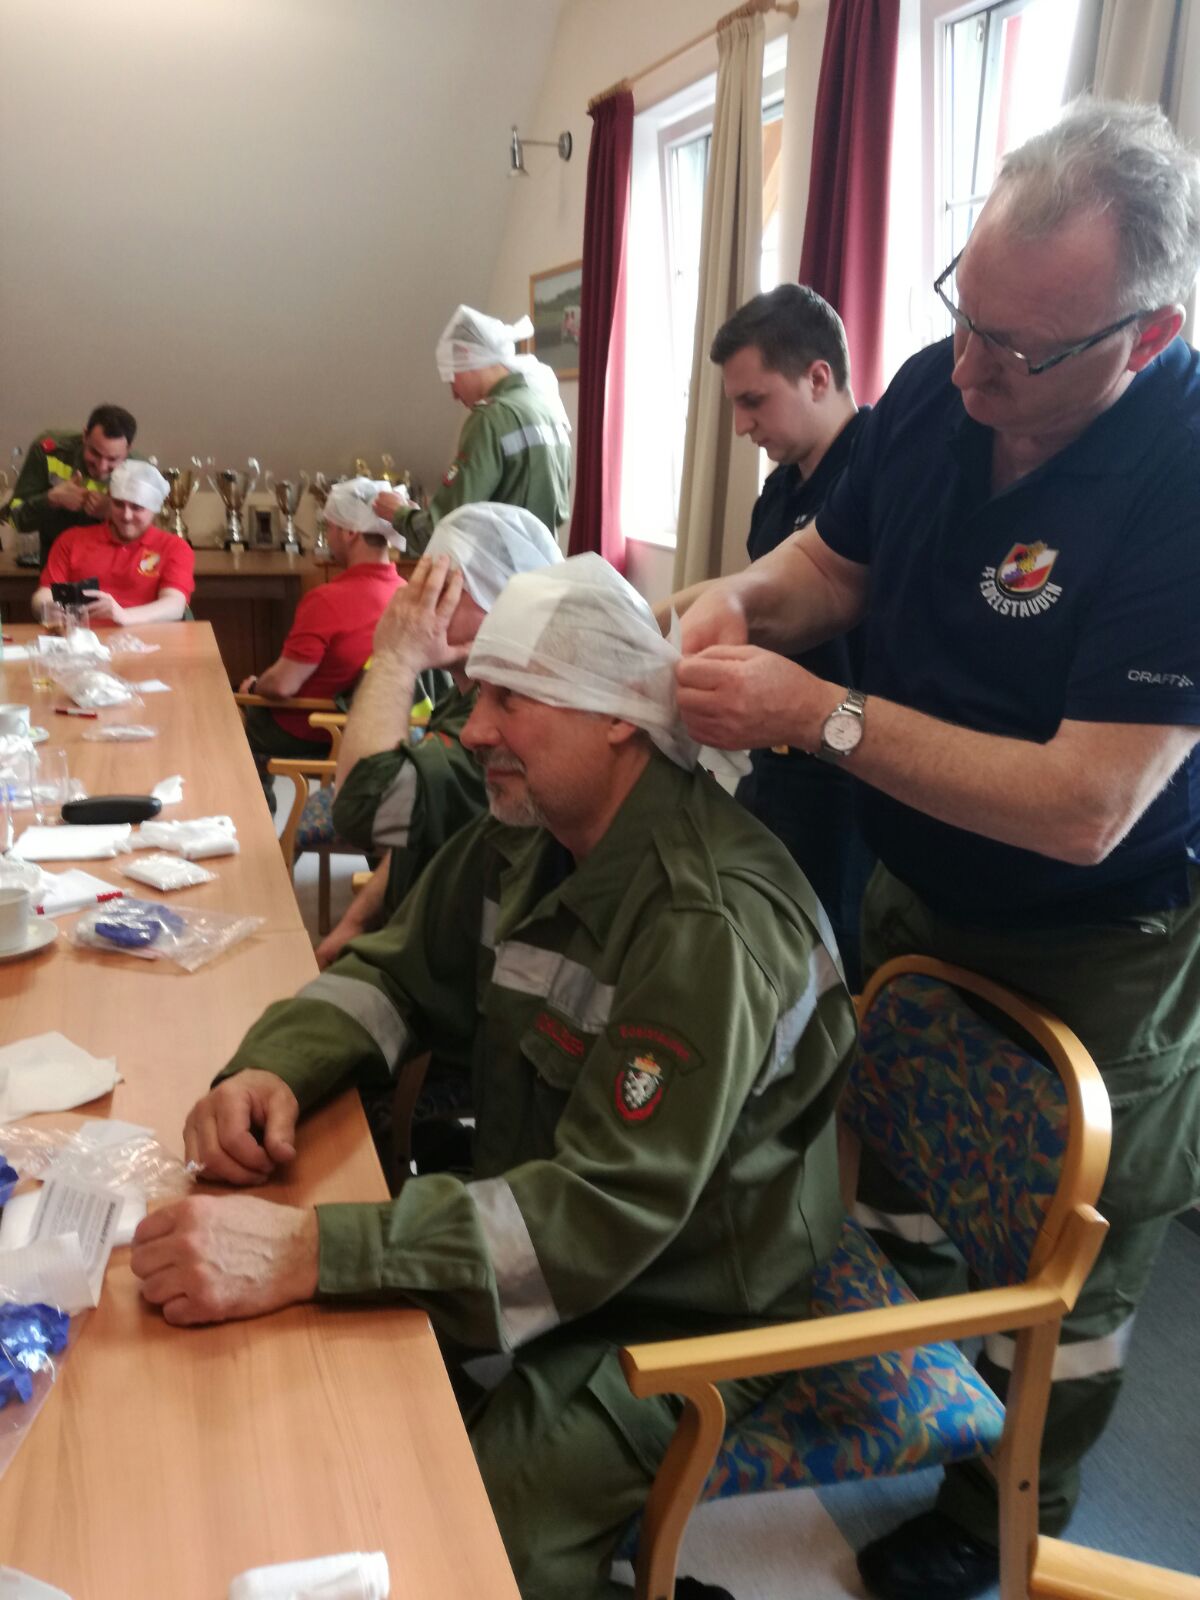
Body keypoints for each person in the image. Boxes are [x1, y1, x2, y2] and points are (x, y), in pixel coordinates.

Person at [671, 98, 1200, 1600]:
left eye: (1018, 350)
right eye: (964, 310)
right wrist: (736, 603)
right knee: (902, 1164)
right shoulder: (936, 388)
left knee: (1066, 1262)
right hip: (923, 883)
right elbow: (828, 568)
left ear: (1147, 338)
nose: (970, 369)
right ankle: (893, 1376)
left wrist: (817, 715)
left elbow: (1087, 803)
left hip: (1098, 932)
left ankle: (1006, 1508)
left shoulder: (1181, 473)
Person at [131, 554, 856, 1600]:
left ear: (617, 717)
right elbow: (394, 973)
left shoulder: (706, 924)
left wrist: (313, 1250)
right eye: (477, 694)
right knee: (317, 1416)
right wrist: (274, 1068)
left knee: (461, 1540)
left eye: (509, 698)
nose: (472, 731)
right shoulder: (529, 833)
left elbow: (604, 1210)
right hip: (566, 1237)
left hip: (690, 1305)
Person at [666, 283, 873, 987]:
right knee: (766, 939)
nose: (740, 427)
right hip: (774, 761)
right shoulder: (778, 492)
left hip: (849, 766)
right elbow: (748, 595)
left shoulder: (874, 472)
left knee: (836, 960)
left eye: (753, 401)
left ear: (818, 377)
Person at [317, 500, 563, 969]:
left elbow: (367, 807)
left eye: (442, 584)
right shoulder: (463, 697)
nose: (415, 598)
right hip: (413, 930)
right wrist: (360, 916)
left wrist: (396, 658)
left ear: (499, 603)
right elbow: (420, 818)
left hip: (452, 965)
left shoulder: (502, 724)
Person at [239, 477, 403, 811]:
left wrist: (254, 687)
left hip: (316, 730)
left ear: (350, 532)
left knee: (236, 720)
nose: (328, 536)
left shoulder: (327, 600)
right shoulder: (406, 594)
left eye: (330, 527)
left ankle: (258, 826)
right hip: (379, 732)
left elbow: (282, 685)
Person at [373, 305, 572, 554]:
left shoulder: (490, 418)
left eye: (452, 379)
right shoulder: (546, 407)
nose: (454, 395)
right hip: (545, 563)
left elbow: (445, 529)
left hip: (499, 569)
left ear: (469, 359)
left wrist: (400, 514)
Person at [32, 460, 193, 627]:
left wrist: (124, 616)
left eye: (137, 507)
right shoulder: (71, 540)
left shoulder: (174, 547)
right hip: (81, 638)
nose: (126, 516)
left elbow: (174, 604)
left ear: (154, 509)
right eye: (119, 504)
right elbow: (44, 593)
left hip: (146, 638)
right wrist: (47, 608)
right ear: (109, 500)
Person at [4, 403, 137, 563]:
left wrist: (112, 512)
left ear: (128, 449)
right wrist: (51, 500)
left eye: (112, 459)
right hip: (56, 566)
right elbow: (15, 519)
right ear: (85, 435)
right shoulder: (49, 452)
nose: (101, 467)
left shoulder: (139, 471)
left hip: (112, 569)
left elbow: (148, 541)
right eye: (94, 453)